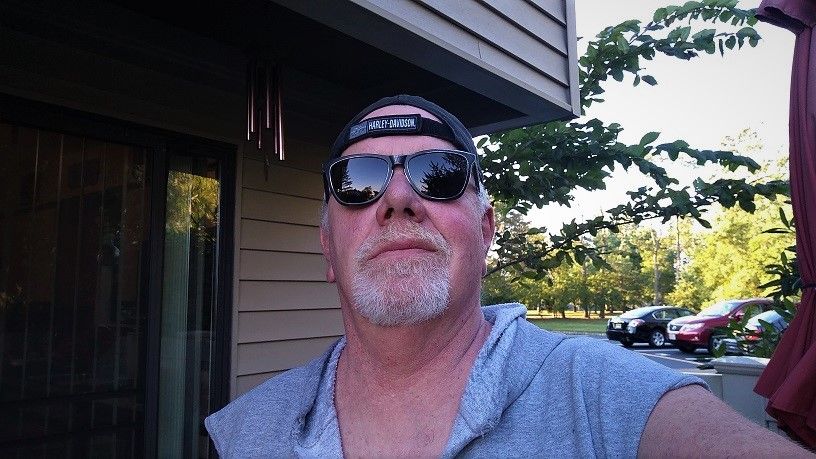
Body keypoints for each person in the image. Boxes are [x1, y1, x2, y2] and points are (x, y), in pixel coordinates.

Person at [206, 95, 813, 458]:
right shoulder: (246, 432)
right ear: (327, 248)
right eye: (358, 180)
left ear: (487, 229)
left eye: (439, 174)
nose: (397, 199)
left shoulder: (607, 397)